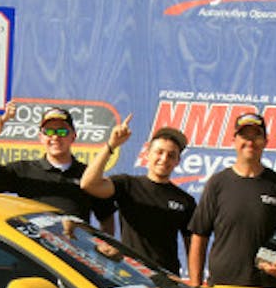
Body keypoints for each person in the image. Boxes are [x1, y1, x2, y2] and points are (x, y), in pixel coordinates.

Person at [186, 112, 276, 288]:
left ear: (266, 142)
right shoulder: (217, 183)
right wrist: (195, 285)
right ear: (234, 141)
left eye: (256, 136)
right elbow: (199, 237)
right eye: (244, 136)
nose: (250, 142)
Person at [0, 104, 116, 232]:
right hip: (34, 252)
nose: (55, 137)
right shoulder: (24, 170)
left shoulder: (88, 176)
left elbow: (106, 218)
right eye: (49, 132)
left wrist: (102, 248)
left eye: (62, 132)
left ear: (73, 136)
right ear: (40, 137)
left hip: (74, 251)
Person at [79, 116, 196, 273]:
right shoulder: (127, 184)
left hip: (167, 278)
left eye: (171, 155)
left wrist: (194, 281)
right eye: (159, 152)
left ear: (178, 161)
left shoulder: (185, 201)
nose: (164, 159)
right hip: (130, 274)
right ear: (147, 154)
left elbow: (192, 246)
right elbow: (88, 184)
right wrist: (111, 145)